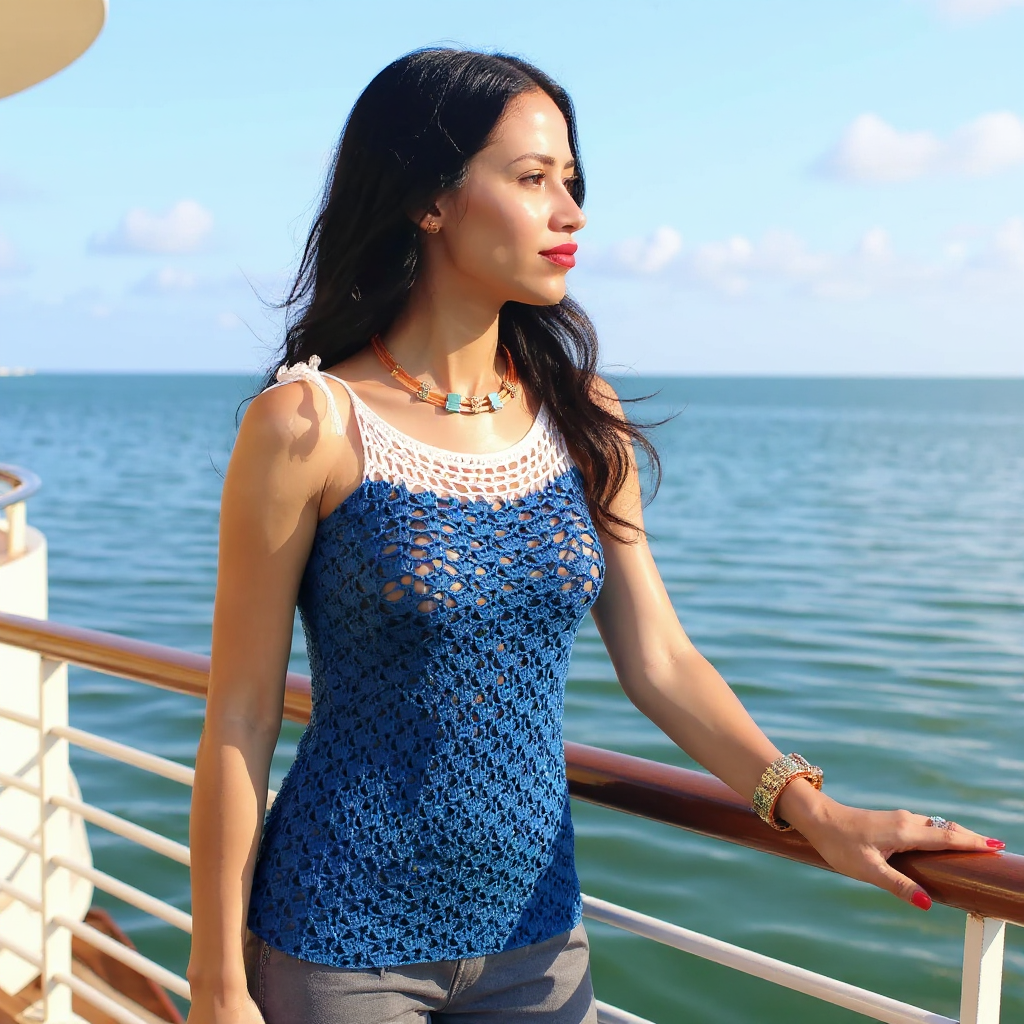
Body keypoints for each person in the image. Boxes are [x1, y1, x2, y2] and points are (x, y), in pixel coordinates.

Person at [185, 48, 1004, 1024]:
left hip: (539, 944)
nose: (570, 212)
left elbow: (658, 659)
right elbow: (241, 717)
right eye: (533, 179)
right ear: (429, 200)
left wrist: (809, 808)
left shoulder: (581, 415)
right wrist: (216, 982)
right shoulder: (307, 425)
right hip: (340, 940)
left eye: (571, 181)